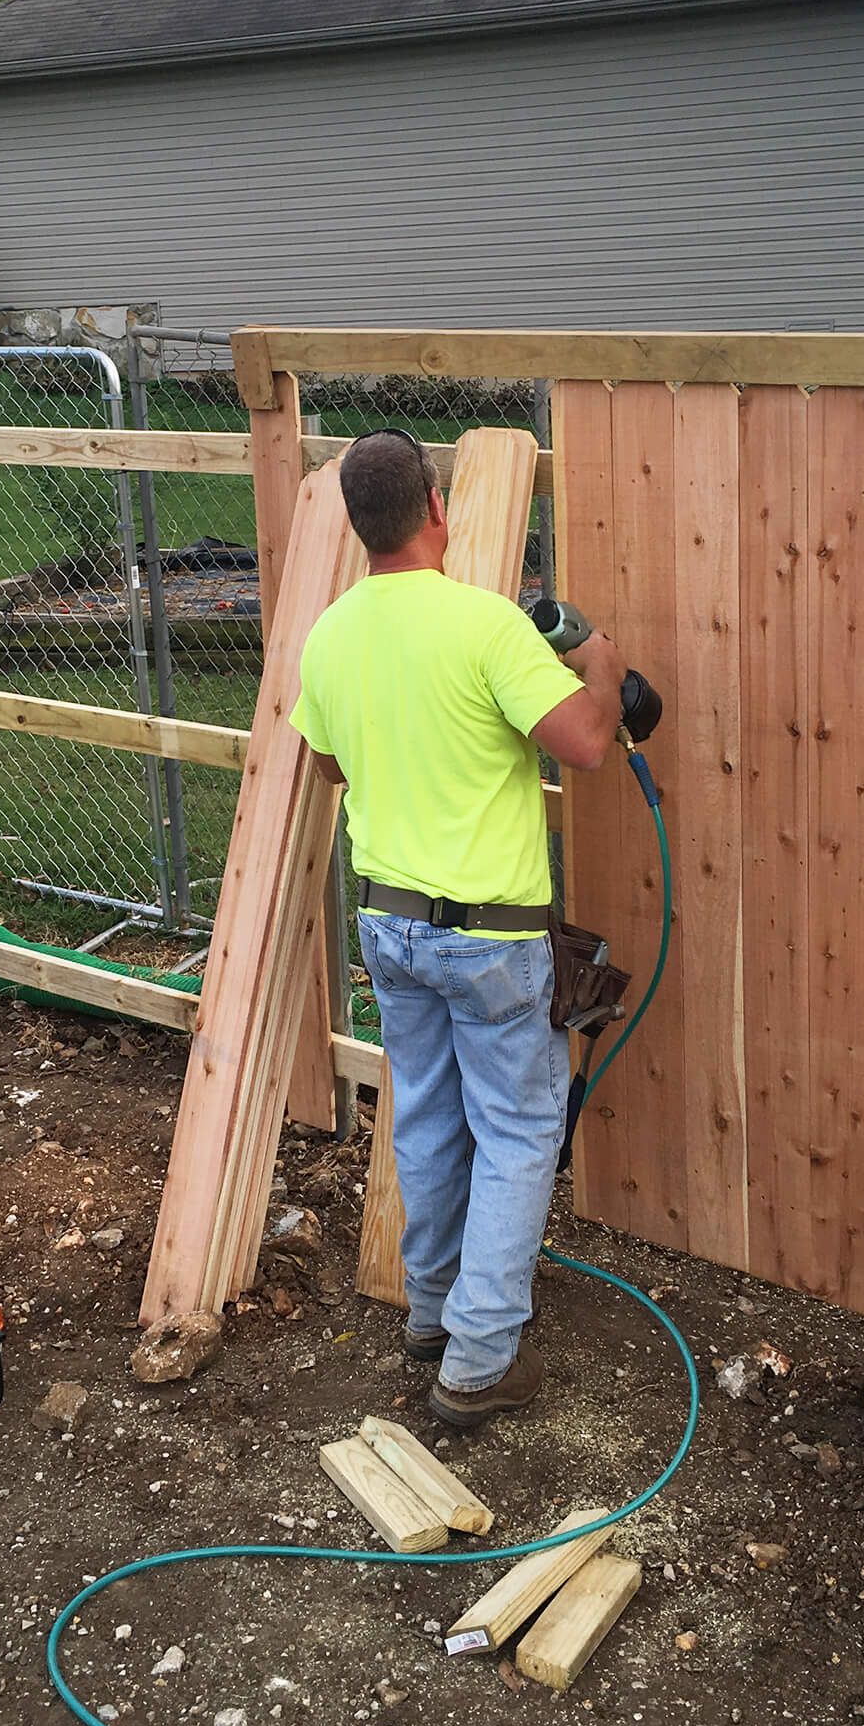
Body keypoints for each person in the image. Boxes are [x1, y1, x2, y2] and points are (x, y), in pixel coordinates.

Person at [290, 430, 625, 1427]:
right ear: (436, 509)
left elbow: (327, 765)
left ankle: (433, 1315)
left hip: (389, 926)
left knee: (429, 1121)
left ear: (358, 526)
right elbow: (591, 744)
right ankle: (479, 1362)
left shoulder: (332, 635)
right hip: (489, 938)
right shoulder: (484, 628)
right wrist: (598, 660)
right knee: (521, 1130)